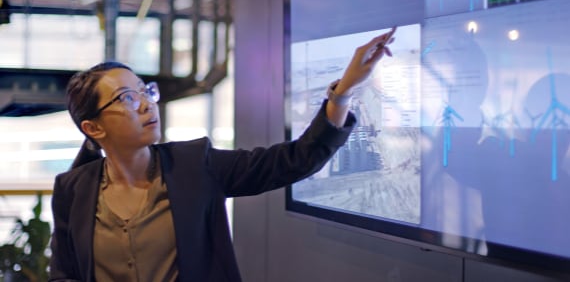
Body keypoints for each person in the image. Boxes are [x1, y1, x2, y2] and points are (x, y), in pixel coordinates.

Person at [48, 32, 396, 282]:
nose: (146, 103)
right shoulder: (73, 189)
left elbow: (296, 159)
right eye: (126, 97)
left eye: (145, 90)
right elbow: (64, 274)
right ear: (93, 128)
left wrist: (343, 93)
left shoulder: (194, 165)